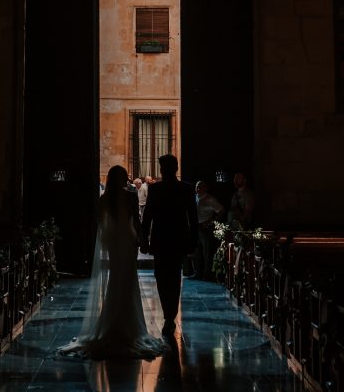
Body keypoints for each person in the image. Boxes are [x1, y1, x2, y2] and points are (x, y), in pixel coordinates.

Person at [59, 165, 166, 359]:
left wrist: (109, 241)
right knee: (128, 280)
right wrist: (143, 241)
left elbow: (101, 223)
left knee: (116, 279)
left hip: (115, 243)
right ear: (123, 178)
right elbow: (136, 221)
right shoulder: (131, 196)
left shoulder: (104, 199)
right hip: (128, 241)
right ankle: (130, 324)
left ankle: (112, 321)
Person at [141, 154, 199, 336]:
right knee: (173, 278)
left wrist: (144, 240)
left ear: (163, 169)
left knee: (163, 277)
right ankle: (169, 316)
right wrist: (193, 242)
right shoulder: (186, 189)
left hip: (161, 239)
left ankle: (169, 315)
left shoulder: (156, 189)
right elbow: (193, 219)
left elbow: (147, 217)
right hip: (178, 239)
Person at [190, 180, 225, 280]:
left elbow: (221, 210)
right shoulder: (195, 197)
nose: (198, 188)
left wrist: (210, 221)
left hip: (205, 228)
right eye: (197, 186)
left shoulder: (210, 199)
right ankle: (198, 273)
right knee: (196, 252)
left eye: (200, 187)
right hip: (195, 227)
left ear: (205, 188)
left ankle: (207, 274)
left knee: (206, 252)